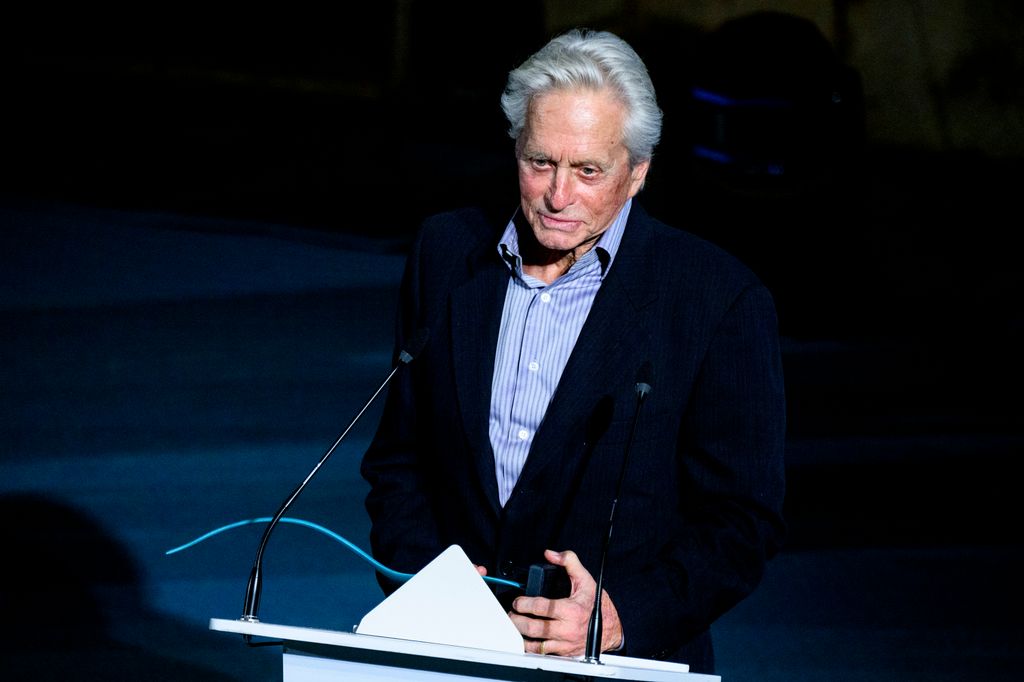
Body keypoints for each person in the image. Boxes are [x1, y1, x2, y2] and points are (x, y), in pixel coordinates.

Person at [359, 27, 786, 674]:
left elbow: (740, 523)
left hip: (621, 661)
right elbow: (398, 462)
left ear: (638, 171)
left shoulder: (716, 301)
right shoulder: (445, 255)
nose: (559, 197)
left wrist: (623, 615)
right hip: (451, 654)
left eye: (588, 171)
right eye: (540, 163)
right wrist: (427, 587)